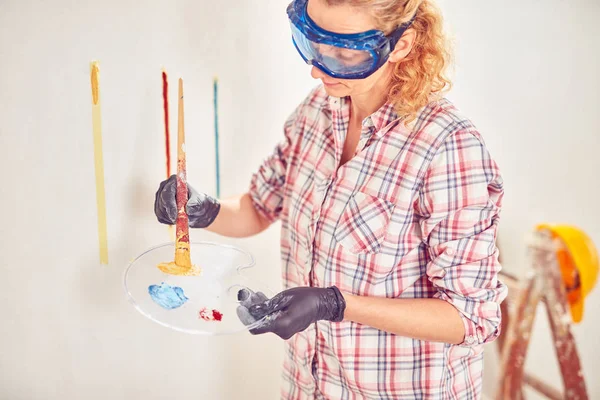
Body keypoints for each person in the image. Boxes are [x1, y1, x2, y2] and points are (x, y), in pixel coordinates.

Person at [154, 0, 507, 398]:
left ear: (401, 45)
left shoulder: (447, 146)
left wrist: (334, 304)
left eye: (344, 52)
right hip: (309, 385)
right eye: (314, 43)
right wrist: (206, 209)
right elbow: (258, 208)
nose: (317, 68)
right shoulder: (316, 111)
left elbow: (469, 318)